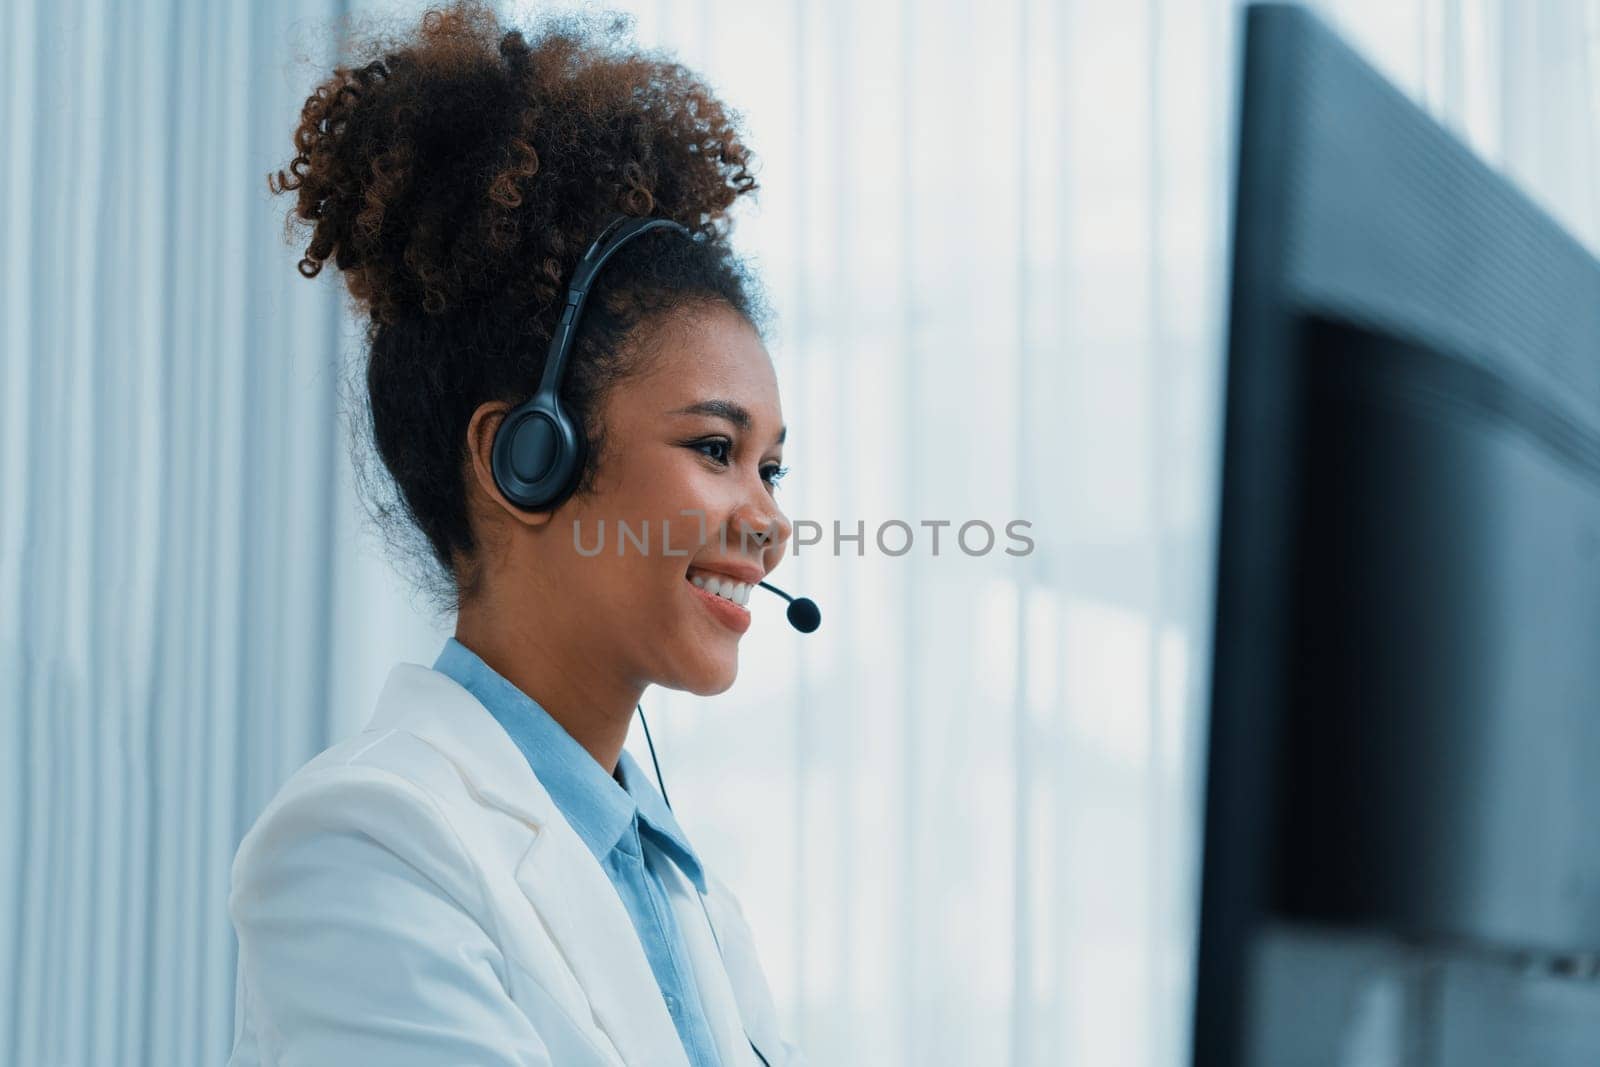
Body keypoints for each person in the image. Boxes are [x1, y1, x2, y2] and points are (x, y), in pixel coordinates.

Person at [227, 4, 805, 1064]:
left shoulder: (685, 892)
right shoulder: (366, 842)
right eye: (716, 450)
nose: (768, 520)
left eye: (770, 467)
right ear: (520, 459)